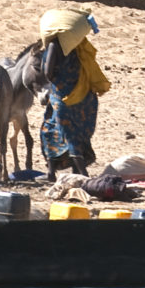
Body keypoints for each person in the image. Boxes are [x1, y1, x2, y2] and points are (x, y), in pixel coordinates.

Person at [38, 9, 110, 176]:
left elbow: (48, 72)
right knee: (73, 132)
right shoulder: (80, 45)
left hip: (62, 97)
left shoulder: (54, 45)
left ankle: (80, 173)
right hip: (84, 96)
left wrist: (54, 82)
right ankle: (70, 171)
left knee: (52, 130)